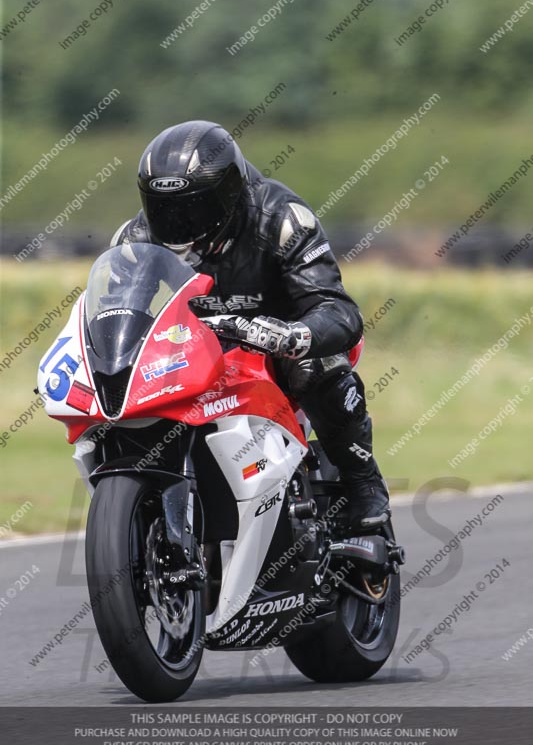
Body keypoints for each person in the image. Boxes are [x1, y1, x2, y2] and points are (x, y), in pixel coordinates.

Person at [110, 120, 390, 534]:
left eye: (195, 207)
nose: (180, 222)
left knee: (317, 366)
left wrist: (294, 335)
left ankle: (362, 482)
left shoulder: (281, 218)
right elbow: (117, 312)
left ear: (229, 192)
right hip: (193, 350)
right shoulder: (136, 236)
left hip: (277, 346)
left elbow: (335, 309)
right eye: (166, 209)